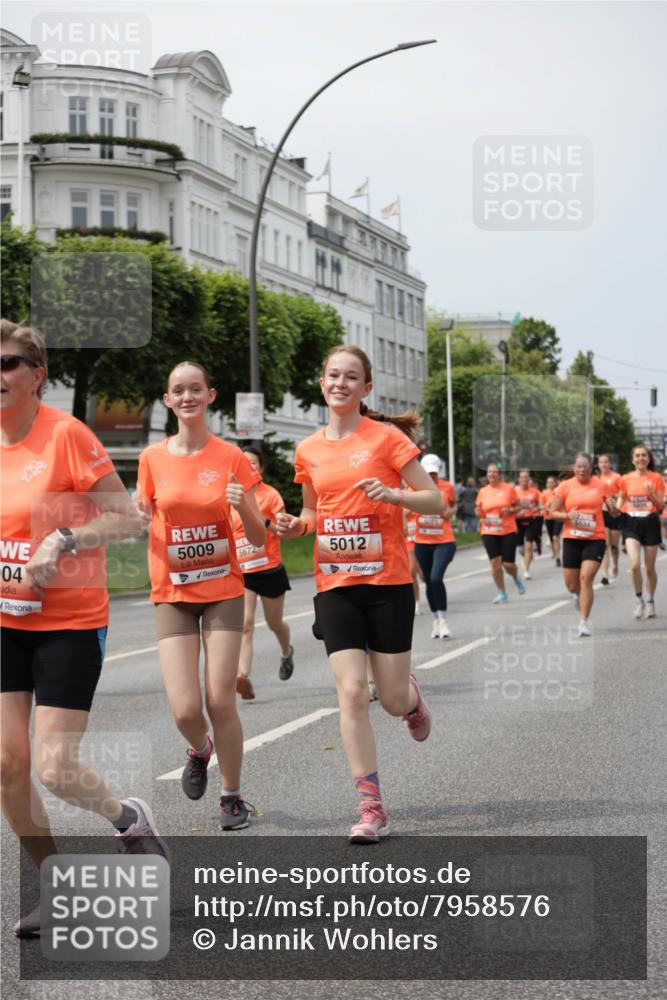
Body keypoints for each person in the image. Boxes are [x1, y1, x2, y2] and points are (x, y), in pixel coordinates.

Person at [1, 320, 162, 939]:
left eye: (9, 364)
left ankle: (128, 819)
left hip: (68, 622)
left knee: (53, 766)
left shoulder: (66, 436)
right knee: (6, 768)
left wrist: (65, 538)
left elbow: (129, 519)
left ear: (36, 375)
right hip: (5, 621)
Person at [277, 346, 442, 844]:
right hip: (336, 586)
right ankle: (371, 804)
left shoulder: (387, 439)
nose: (341, 383)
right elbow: (311, 513)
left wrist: (396, 496)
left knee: (388, 699)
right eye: (333, 375)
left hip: (387, 583)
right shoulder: (308, 450)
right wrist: (293, 525)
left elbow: (432, 497)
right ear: (321, 382)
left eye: (352, 377)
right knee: (351, 692)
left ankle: (410, 698)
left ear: (366, 388)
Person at [137, 361, 265, 831]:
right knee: (186, 709)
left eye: (196, 389)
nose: (187, 396)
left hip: (222, 591)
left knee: (220, 701)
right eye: (178, 390)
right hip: (172, 591)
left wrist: (240, 505)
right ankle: (199, 749)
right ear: (167, 400)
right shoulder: (152, 459)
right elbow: (141, 513)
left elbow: (256, 535)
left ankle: (232, 795)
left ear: (211, 396)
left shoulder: (231, 457)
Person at [232, 447, 294, 700]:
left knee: (274, 623)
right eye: (244, 463)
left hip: (269, 570)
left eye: (254, 463)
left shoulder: (270, 495)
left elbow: (282, 529)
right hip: (243, 571)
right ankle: (242, 676)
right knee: (245, 624)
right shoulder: (232, 496)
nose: (249, 467)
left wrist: (262, 521)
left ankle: (286, 651)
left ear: (261, 468)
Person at [550, 452, 618, 636]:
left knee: (586, 578)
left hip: (594, 538)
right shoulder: (565, 486)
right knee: (572, 585)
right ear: (574, 468)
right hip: (572, 538)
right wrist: (567, 516)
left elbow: (614, 513)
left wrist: (613, 507)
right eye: (578, 466)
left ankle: (584, 622)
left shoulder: (601, 485)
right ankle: (576, 595)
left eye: (585, 466)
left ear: (591, 468)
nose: (581, 469)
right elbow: (551, 512)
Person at [617, 445, 665, 619]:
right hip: (631, 522)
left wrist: (651, 494)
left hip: (650, 521)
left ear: (648, 458)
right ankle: (639, 600)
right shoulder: (625, 479)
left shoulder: (656, 478)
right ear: (633, 459)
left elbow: (660, 506)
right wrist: (614, 510)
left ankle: (651, 600)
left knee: (650, 568)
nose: (640, 458)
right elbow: (621, 498)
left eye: (644, 455)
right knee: (635, 564)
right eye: (637, 456)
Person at [413, 453, 457, 639]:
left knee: (436, 578)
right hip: (422, 542)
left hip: (444, 541)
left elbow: (454, 506)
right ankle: (436, 619)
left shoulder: (447, 487)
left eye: (434, 473)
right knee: (429, 581)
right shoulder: (414, 487)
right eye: (428, 473)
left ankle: (444, 621)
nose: (432, 477)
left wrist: (450, 512)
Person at [475, 464, 525, 603]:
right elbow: (478, 509)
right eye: (489, 472)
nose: (491, 474)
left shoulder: (509, 488)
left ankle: (515, 577)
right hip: (489, 530)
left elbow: (519, 506)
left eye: (494, 472)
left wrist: (511, 510)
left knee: (508, 564)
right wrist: (480, 514)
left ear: (499, 474)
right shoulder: (483, 491)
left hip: (507, 530)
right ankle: (502, 593)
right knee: (495, 563)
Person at [597, 453, 623, 586]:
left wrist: (614, 496)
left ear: (610, 464)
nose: (604, 465)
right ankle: (604, 574)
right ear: (598, 464)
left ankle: (616, 563)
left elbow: (623, 492)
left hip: (614, 513)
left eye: (606, 462)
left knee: (614, 546)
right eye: (601, 462)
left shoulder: (617, 477)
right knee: (604, 545)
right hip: (602, 513)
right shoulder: (596, 479)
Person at [515, 469, 542, 579]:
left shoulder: (534, 492)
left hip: (531, 521)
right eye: (522, 477)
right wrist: (516, 511)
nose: (524, 479)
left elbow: (540, 505)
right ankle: (527, 557)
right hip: (517, 522)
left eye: (526, 477)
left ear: (529, 479)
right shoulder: (514, 491)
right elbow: (509, 505)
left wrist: (535, 508)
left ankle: (526, 571)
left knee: (529, 546)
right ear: (519, 479)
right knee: (521, 549)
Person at [540, 475, 562, 566]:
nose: (550, 484)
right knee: (552, 538)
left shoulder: (559, 492)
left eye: (552, 482)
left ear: (555, 483)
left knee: (555, 537)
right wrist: (546, 506)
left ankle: (557, 557)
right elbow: (540, 506)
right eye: (548, 482)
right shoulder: (544, 493)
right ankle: (555, 552)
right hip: (548, 517)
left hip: (558, 517)